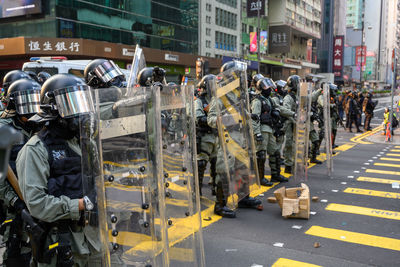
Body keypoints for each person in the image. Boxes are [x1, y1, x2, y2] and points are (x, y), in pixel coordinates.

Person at [17, 74, 102, 266]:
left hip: (95, 237)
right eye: (73, 104)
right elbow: (37, 204)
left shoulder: (86, 143)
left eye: (82, 103)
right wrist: (81, 204)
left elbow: (96, 180)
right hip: (63, 242)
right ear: (53, 109)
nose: (81, 112)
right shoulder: (35, 150)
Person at [207, 61, 261, 218]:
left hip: (241, 139)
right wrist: (228, 119)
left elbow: (243, 116)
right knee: (224, 172)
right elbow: (211, 120)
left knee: (243, 170)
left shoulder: (239, 97)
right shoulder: (220, 98)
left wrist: (251, 116)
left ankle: (243, 198)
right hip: (227, 140)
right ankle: (220, 205)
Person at [0, 78, 42, 266]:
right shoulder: (4, 129)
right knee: (16, 255)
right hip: (15, 204)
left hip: (38, 199)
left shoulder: (40, 125)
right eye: (26, 103)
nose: (32, 108)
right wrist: (16, 201)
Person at [251, 77, 288, 186]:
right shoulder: (257, 101)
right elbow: (255, 118)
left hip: (270, 130)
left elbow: (280, 109)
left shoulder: (269, 100)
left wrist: (292, 114)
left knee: (275, 152)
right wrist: (257, 133)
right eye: (267, 87)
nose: (269, 89)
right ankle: (260, 178)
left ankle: (275, 175)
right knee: (261, 155)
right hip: (262, 130)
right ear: (261, 88)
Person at [195, 75, 218, 195]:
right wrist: (210, 119)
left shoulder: (217, 100)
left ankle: (216, 188)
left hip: (215, 136)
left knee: (216, 163)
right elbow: (199, 118)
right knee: (201, 163)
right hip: (204, 136)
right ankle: (197, 191)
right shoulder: (199, 101)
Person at [283, 75, 300, 174]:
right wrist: (294, 119)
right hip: (289, 123)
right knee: (289, 144)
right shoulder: (288, 97)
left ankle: (294, 162)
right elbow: (286, 111)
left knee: (296, 144)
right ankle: (288, 165)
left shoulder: (297, 96)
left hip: (297, 123)